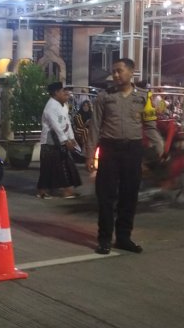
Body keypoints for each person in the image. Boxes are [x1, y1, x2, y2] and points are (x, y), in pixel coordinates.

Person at [85, 58, 163, 254]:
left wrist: (159, 144)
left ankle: (123, 237)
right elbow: (94, 127)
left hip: (133, 150)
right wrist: (89, 154)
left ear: (131, 72)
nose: (116, 75)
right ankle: (104, 239)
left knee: (129, 195)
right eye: (114, 71)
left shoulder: (144, 97)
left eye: (119, 71)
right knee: (106, 196)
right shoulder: (104, 97)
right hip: (109, 150)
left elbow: (150, 124)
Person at [37, 82, 81, 199]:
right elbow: (55, 125)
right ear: (56, 93)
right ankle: (42, 191)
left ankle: (68, 190)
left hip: (60, 141)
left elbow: (67, 123)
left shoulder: (63, 106)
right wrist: (65, 141)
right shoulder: (50, 106)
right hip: (49, 142)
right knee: (47, 168)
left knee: (65, 165)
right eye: (63, 91)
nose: (65, 93)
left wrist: (72, 138)